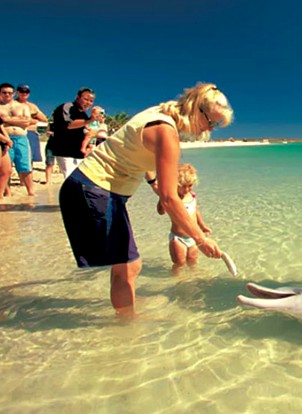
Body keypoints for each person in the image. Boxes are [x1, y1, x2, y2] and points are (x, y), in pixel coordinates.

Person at [58, 83, 232, 317]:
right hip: (94, 189)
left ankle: (127, 305)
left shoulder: (159, 114)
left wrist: (153, 183)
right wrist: (200, 240)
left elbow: (136, 150)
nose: (208, 129)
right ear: (196, 109)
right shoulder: (167, 133)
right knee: (127, 266)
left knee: (129, 265)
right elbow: (171, 199)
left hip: (96, 188)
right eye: (211, 121)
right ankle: (128, 327)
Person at [157, 163, 212, 274]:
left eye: (190, 185)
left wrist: (203, 226)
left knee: (193, 262)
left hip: (193, 238)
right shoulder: (173, 198)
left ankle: (192, 281)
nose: (187, 189)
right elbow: (160, 212)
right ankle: (177, 284)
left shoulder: (192, 196)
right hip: (178, 238)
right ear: (175, 184)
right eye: (183, 186)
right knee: (179, 264)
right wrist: (162, 198)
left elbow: (196, 211)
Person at [48, 87, 99, 179]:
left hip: (78, 152)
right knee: (69, 178)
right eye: (86, 99)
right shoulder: (67, 107)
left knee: (79, 180)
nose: (88, 103)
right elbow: (69, 125)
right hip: (64, 150)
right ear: (77, 98)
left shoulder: (83, 114)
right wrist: (90, 120)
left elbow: (83, 130)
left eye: (91, 101)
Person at [0, 83, 35, 196]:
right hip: (4, 139)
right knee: (5, 168)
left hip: (21, 138)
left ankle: (31, 193)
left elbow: (27, 122)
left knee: (25, 166)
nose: (7, 94)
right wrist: (18, 119)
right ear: (0, 93)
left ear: (13, 93)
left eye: (9, 92)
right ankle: (7, 193)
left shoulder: (23, 106)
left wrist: (6, 119)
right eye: (4, 92)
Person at [15, 84, 48, 178]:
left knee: (30, 157)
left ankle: (27, 179)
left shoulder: (32, 106)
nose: (24, 93)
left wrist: (32, 117)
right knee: (19, 156)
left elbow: (44, 118)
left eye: (26, 92)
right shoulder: (12, 104)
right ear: (17, 92)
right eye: (21, 91)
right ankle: (21, 179)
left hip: (31, 132)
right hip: (18, 132)